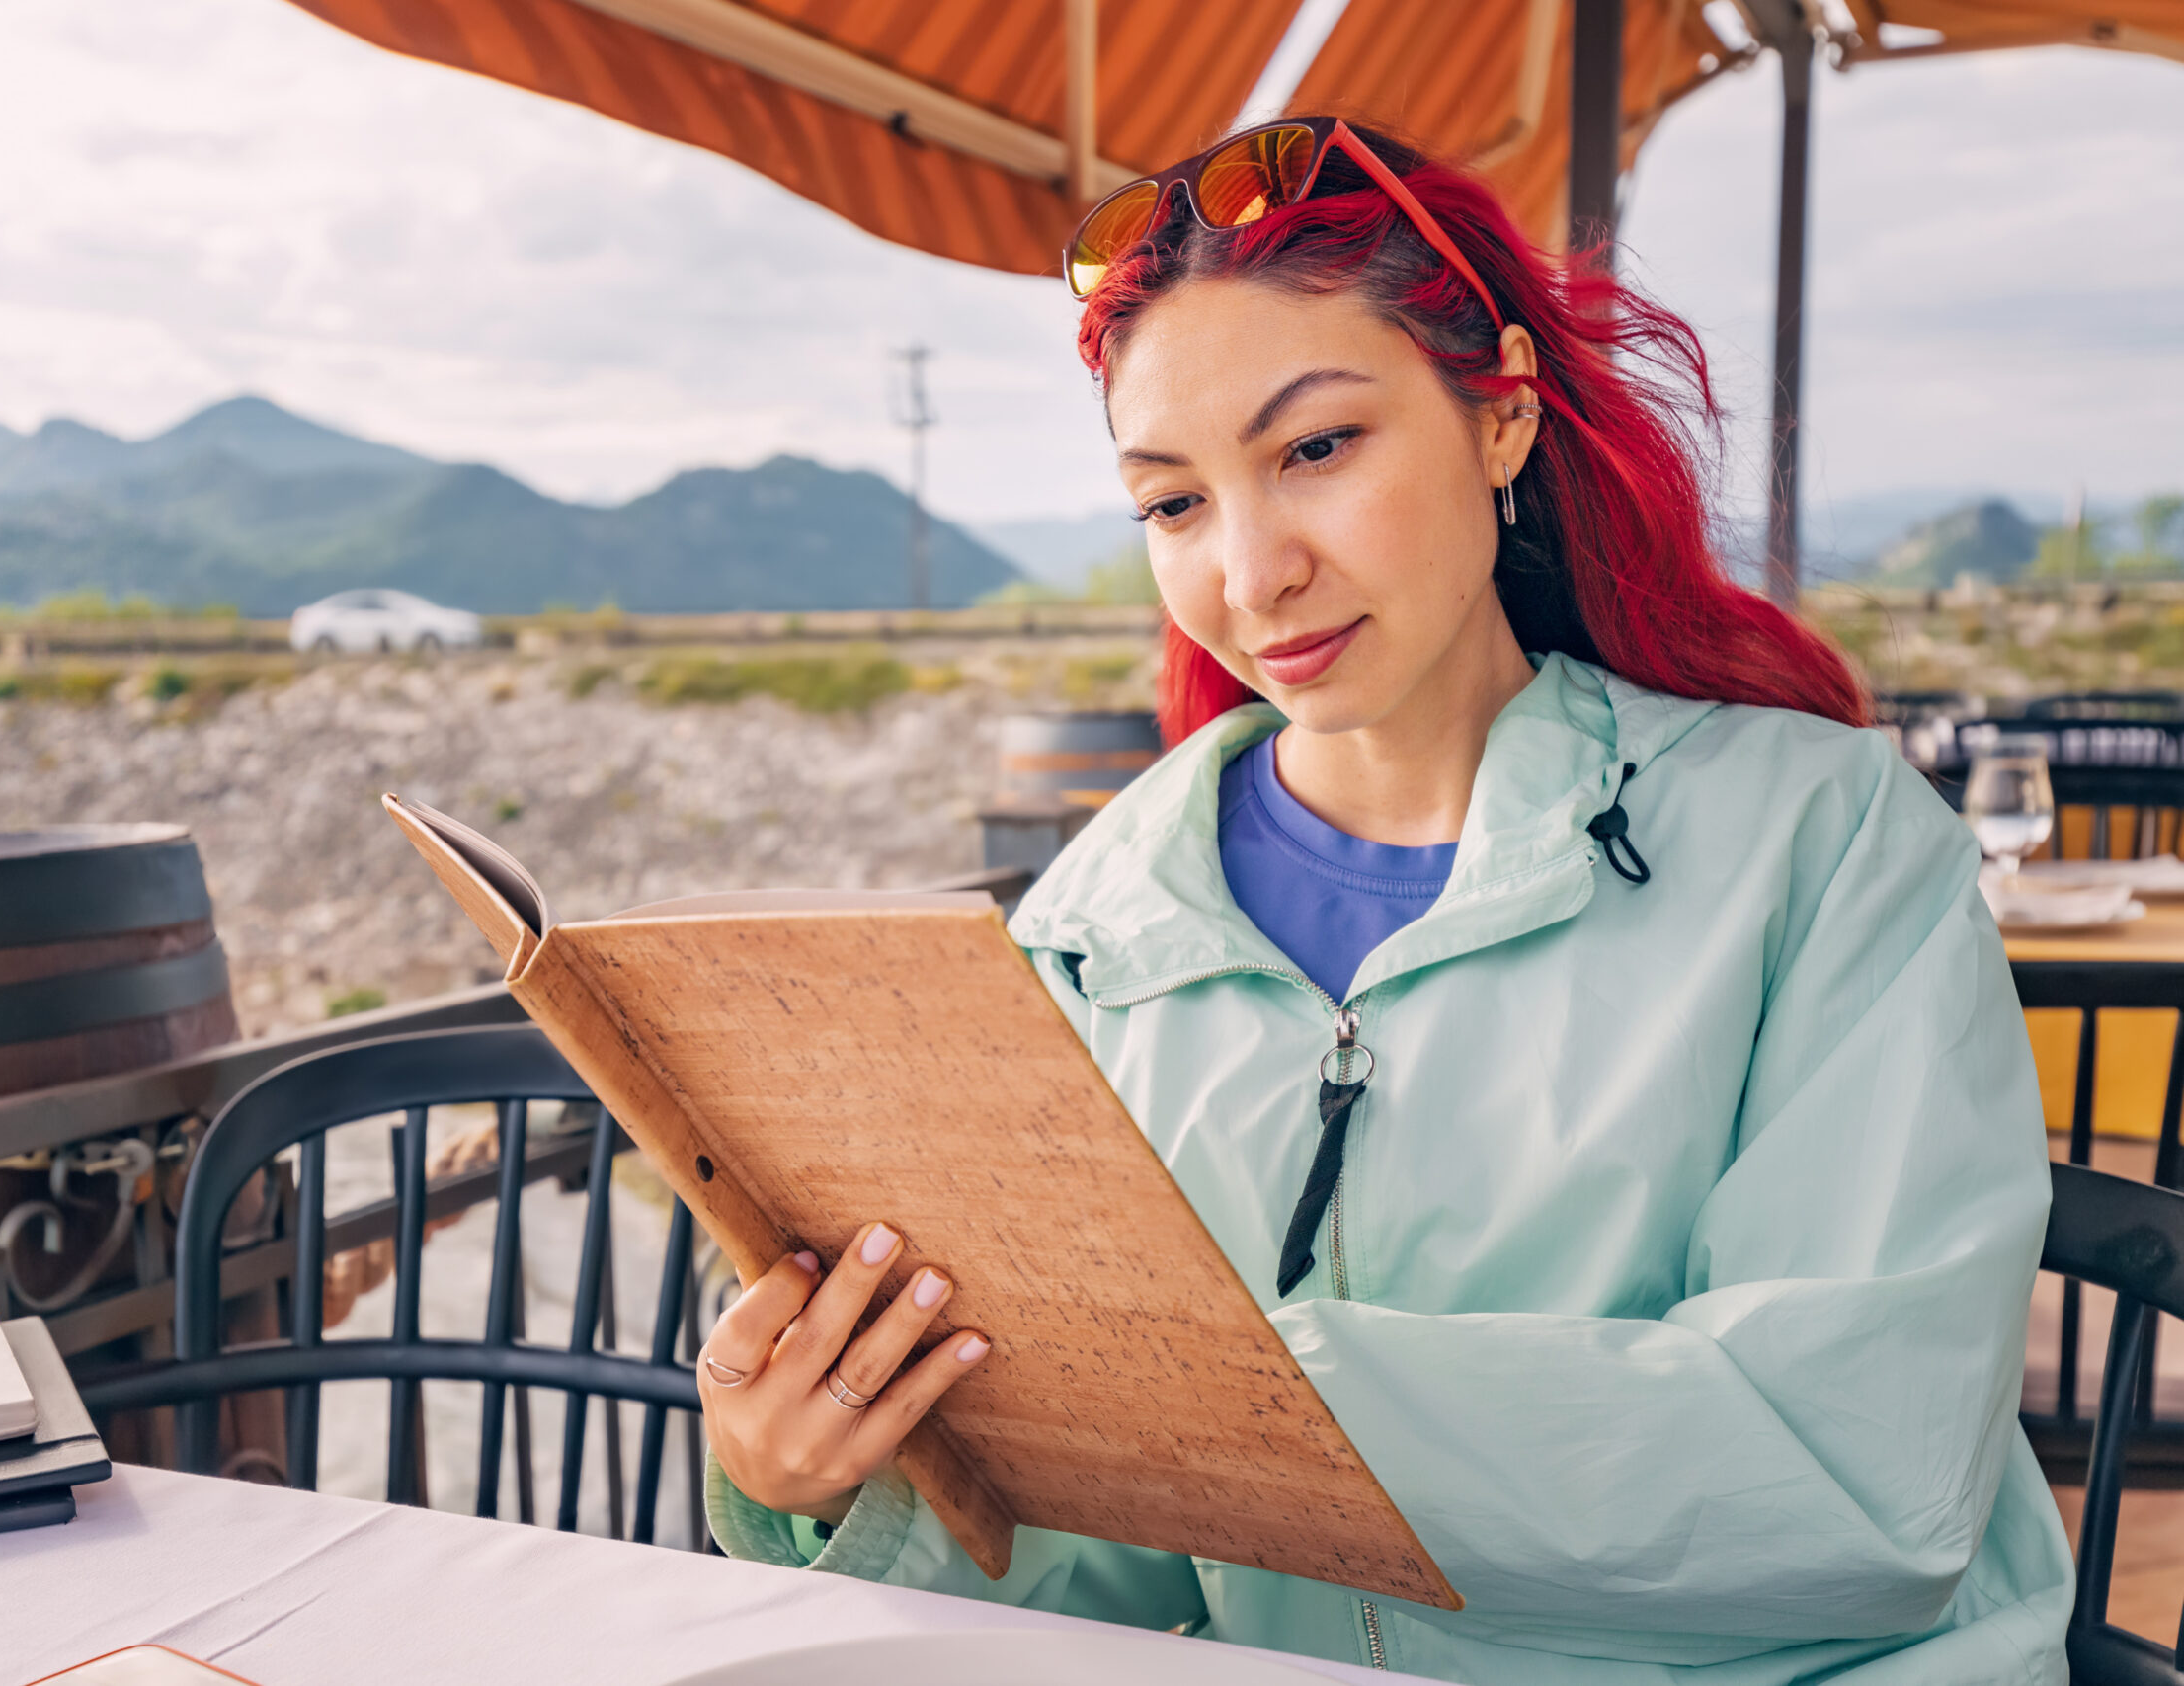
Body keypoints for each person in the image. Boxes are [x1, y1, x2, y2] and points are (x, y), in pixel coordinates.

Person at [692, 116, 2072, 1684]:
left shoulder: (1823, 844)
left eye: (1316, 449)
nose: (1251, 571)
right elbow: (1110, 1569)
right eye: (1174, 504)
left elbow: (1858, 1474)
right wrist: (827, 1472)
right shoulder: (1095, 934)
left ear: (1501, 415)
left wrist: (1233, 1394)